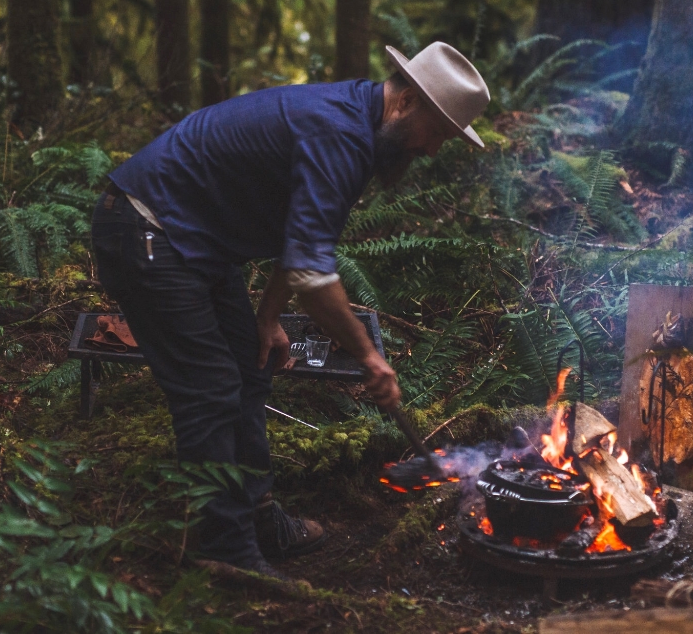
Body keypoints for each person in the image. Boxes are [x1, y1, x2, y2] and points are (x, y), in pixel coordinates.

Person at [90, 41, 489, 578]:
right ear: (407, 104)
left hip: (196, 243)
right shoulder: (340, 134)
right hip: (149, 230)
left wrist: (269, 318)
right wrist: (369, 356)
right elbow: (312, 277)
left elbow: (302, 244)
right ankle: (222, 549)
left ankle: (256, 516)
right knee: (210, 391)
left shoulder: (356, 128)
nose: (433, 150)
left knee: (250, 366)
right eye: (437, 134)